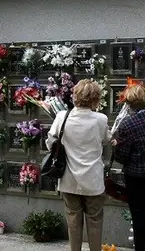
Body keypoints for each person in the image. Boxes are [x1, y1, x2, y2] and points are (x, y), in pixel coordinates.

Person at [46, 79, 111, 251]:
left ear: (75, 96)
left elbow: (51, 141)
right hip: (93, 180)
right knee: (95, 221)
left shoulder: (62, 117)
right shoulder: (101, 119)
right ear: (96, 98)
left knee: (73, 223)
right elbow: (107, 140)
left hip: (69, 179)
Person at [112, 84, 145, 251]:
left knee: (138, 218)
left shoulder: (126, 125)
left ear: (128, 103)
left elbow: (122, 156)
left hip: (135, 177)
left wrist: (116, 145)